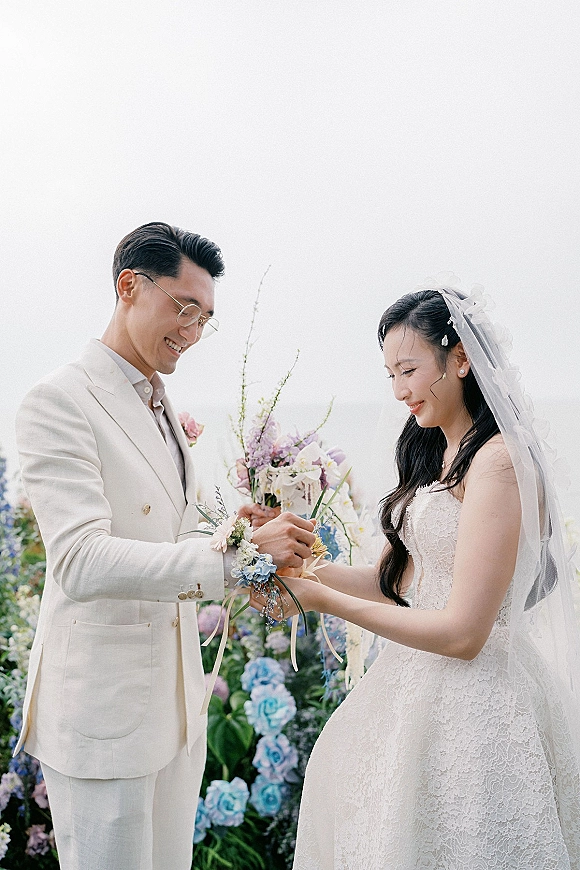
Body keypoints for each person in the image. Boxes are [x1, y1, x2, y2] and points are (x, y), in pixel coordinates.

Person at [14, 222, 315, 870]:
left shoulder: (160, 401)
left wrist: (239, 529)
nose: (194, 332)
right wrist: (235, 559)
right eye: (184, 309)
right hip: (105, 717)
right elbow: (81, 559)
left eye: (206, 318)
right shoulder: (58, 400)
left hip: (175, 713)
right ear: (129, 287)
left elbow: (171, 530)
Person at [274, 284, 580, 869]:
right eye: (390, 373)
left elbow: (465, 634)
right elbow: (397, 581)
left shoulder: (497, 461)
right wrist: (303, 570)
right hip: (411, 687)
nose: (399, 390)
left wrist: (320, 600)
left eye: (409, 369)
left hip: (479, 705)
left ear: (461, 359)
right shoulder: (435, 450)